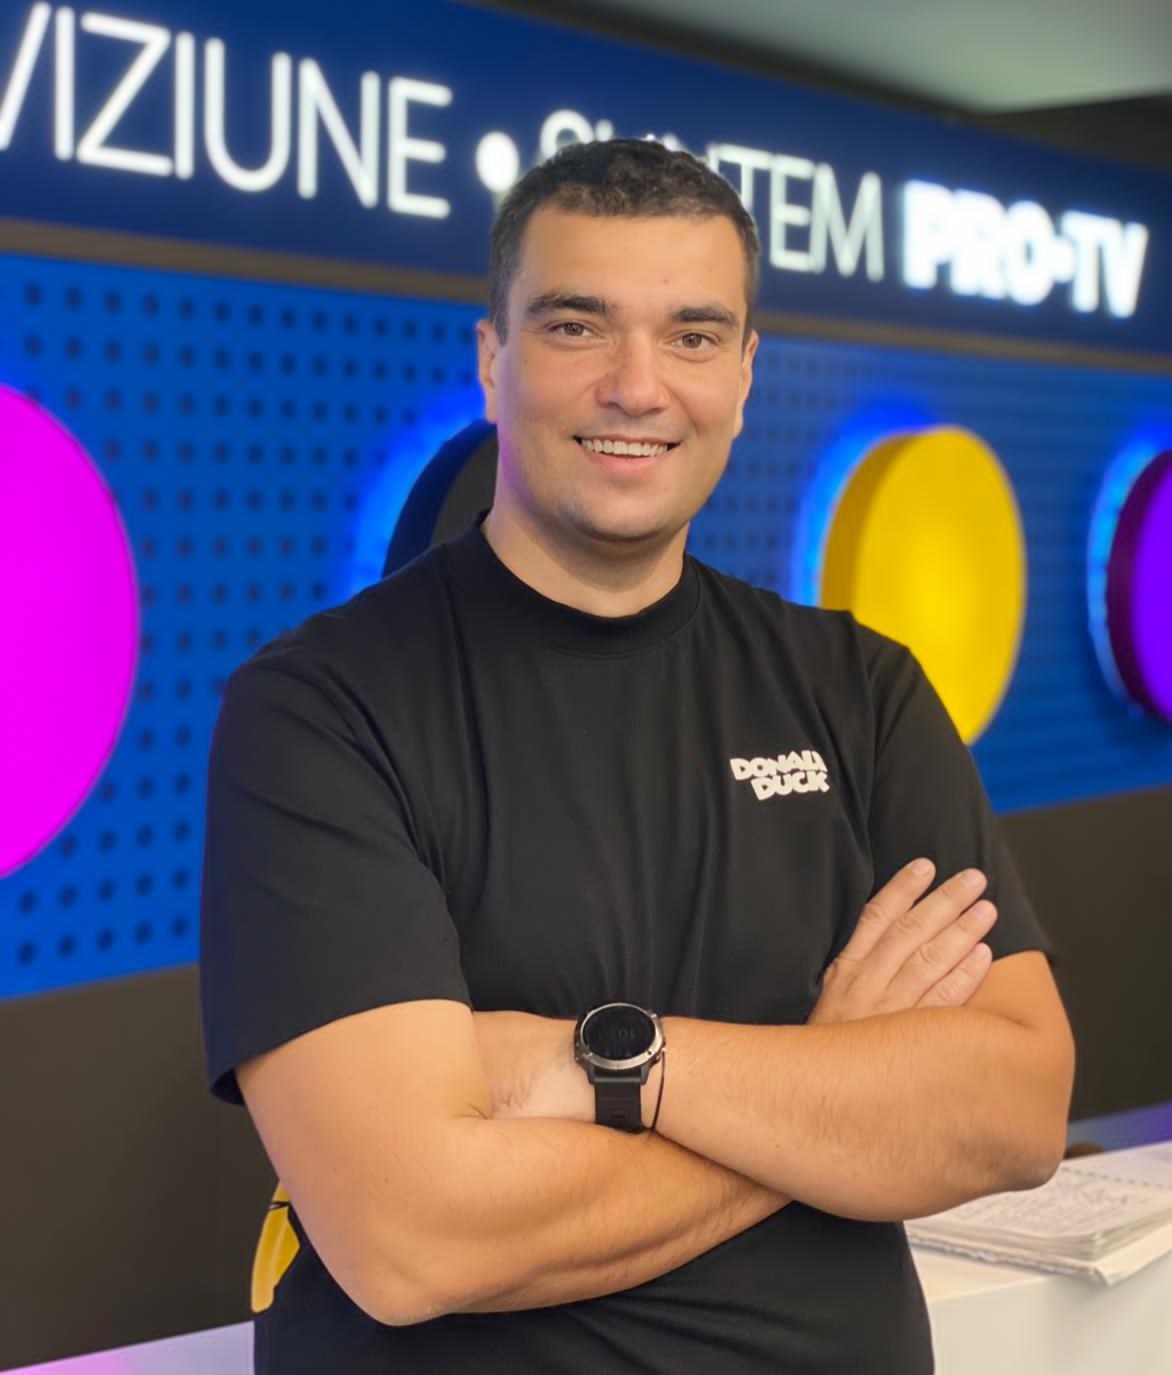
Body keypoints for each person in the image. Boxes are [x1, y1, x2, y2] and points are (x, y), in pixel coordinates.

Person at [199, 139, 1075, 1373]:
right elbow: (412, 1238)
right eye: (576, 326)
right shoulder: (323, 709)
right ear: (492, 359)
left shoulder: (859, 689)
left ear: (744, 372)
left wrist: (613, 1064)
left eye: (692, 335)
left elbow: (1015, 1108)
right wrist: (828, 1085)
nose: (636, 385)